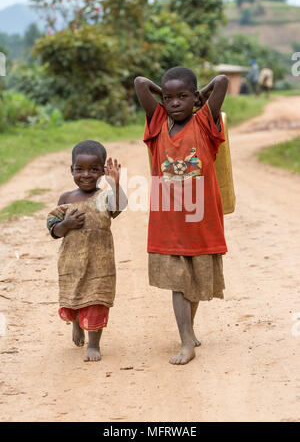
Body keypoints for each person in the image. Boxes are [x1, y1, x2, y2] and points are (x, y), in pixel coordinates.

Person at [134, 67, 229, 365]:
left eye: (183, 96)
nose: (175, 103)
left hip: (200, 218)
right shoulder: (158, 123)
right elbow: (139, 83)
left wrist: (205, 94)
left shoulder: (204, 122)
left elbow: (223, 82)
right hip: (168, 220)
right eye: (169, 97)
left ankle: (189, 329)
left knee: (197, 281)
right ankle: (186, 340)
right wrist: (157, 94)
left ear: (195, 98)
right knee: (179, 282)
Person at [47, 140, 126, 362]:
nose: (86, 175)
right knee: (75, 297)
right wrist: (66, 224)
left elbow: (119, 207)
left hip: (100, 263)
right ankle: (76, 324)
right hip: (71, 262)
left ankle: (94, 344)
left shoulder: (105, 196)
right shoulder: (66, 199)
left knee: (96, 301)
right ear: (71, 170)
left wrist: (116, 185)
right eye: (80, 169)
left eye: (94, 169)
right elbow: (54, 230)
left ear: (103, 171)